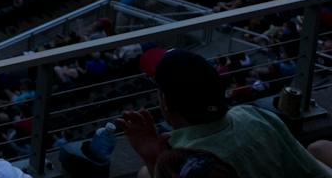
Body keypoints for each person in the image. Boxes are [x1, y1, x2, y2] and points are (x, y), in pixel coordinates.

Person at [123, 48, 332, 177]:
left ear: (165, 103)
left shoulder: (186, 164)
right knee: (320, 148)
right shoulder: (253, 114)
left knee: (144, 174)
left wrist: (154, 162)